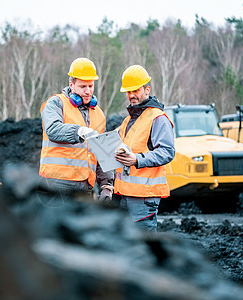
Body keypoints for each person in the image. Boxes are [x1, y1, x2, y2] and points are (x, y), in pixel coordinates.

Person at [39, 57, 114, 202]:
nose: (88, 91)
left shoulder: (98, 114)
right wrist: (79, 131)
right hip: (57, 184)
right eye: (83, 87)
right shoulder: (56, 103)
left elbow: (104, 153)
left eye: (91, 86)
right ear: (71, 85)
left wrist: (106, 186)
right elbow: (53, 129)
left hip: (85, 187)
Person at [114, 65, 175, 231]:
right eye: (128, 91)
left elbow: (167, 152)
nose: (131, 95)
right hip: (125, 194)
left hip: (144, 197)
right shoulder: (128, 121)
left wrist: (137, 159)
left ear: (147, 89)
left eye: (136, 90)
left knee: (144, 246)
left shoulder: (158, 118)